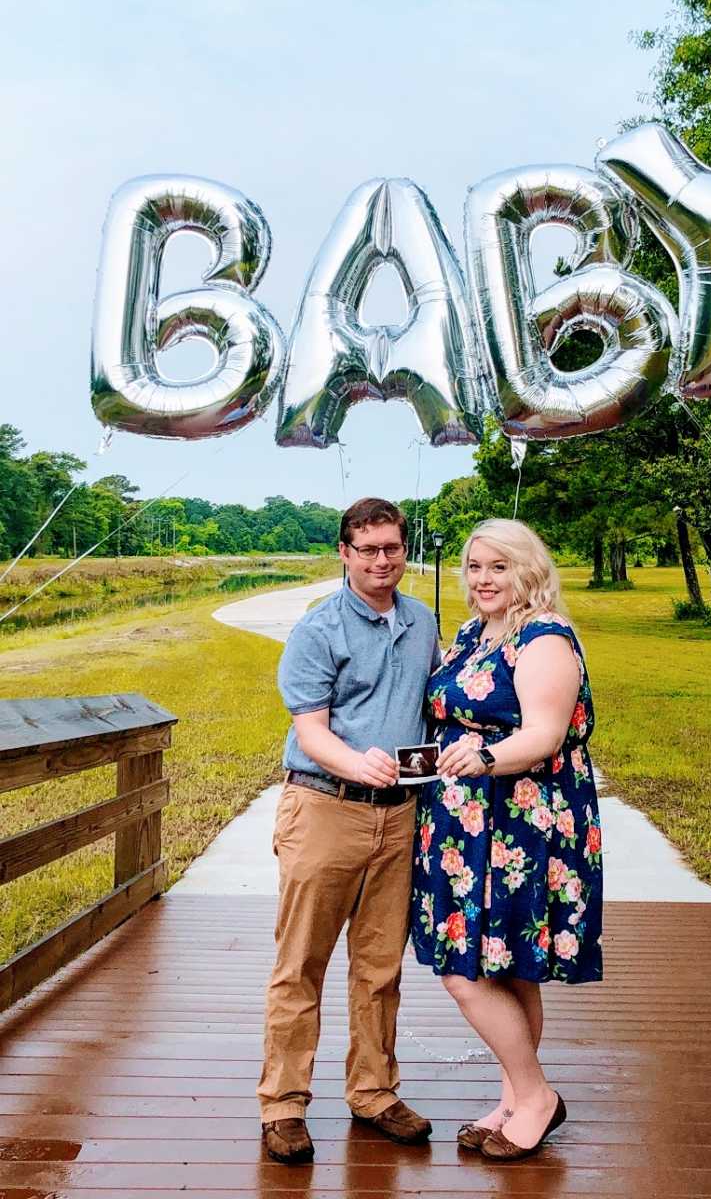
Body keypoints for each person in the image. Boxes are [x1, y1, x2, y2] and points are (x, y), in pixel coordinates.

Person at [411, 518, 603, 1162]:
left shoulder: (545, 637)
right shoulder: (472, 633)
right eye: (474, 567)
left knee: (472, 970)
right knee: (507, 968)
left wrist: (486, 758)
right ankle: (515, 1101)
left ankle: (537, 1095)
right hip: (465, 823)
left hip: (523, 825)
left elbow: (544, 735)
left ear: (529, 569)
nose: (483, 579)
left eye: (498, 566)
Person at [258, 497, 441, 1164]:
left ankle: (373, 1091)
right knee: (301, 963)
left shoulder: (423, 622)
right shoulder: (319, 628)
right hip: (325, 804)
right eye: (367, 550)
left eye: (392, 548)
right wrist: (354, 760)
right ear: (344, 553)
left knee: (380, 966)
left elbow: (432, 706)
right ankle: (283, 1104)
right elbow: (311, 728)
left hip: (398, 817)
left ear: (403, 548)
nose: (381, 561)